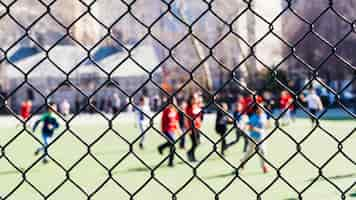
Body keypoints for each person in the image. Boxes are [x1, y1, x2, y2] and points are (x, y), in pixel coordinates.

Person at [240, 105, 269, 174]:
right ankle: (242, 162)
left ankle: (264, 166)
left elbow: (266, 125)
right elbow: (250, 128)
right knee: (250, 151)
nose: (262, 109)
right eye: (260, 108)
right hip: (253, 137)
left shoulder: (264, 115)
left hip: (261, 137)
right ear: (256, 110)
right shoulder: (253, 117)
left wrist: (264, 128)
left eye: (262, 108)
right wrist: (256, 129)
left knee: (263, 151)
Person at [158, 98, 180, 167]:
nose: (174, 103)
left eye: (175, 101)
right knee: (172, 143)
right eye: (172, 102)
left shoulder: (175, 110)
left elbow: (176, 120)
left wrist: (178, 129)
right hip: (166, 130)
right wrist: (162, 130)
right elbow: (163, 121)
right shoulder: (166, 110)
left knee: (171, 144)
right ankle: (171, 162)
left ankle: (161, 147)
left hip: (172, 129)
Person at [185, 93, 202, 162]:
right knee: (195, 143)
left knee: (198, 142)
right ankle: (192, 156)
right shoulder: (188, 107)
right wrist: (189, 129)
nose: (195, 100)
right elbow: (187, 119)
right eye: (194, 98)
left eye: (196, 98)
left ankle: (190, 153)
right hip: (192, 128)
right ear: (190, 99)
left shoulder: (196, 106)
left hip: (197, 127)